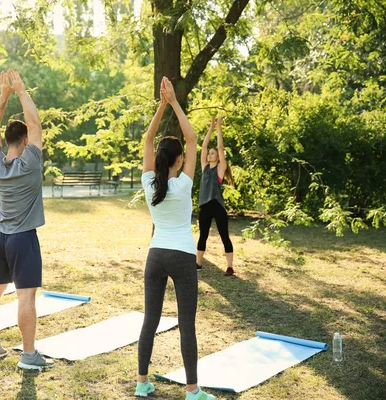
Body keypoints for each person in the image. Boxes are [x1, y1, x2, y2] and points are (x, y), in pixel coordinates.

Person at [136, 77, 215, 400]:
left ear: (159, 159)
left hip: (155, 256)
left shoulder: (148, 182)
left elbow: (147, 138)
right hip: (182, 256)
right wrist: (174, 103)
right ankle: (192, 390)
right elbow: (194, 137)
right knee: (187, 324)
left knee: (150, 320)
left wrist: (161, 106)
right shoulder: (183, 184)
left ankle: (142, 383)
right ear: (180, 159)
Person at [0, 70, 53, 370]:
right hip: (23, 239)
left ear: (5, 141)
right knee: (26, 296)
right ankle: (28, 355)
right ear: (24, 141)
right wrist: (21, 91)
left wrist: (3, 96)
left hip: (0, 237)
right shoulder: (30, 162)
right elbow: (35, 123)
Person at [196, 116, 235, 276]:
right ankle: (198, 263)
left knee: (224, 236)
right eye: (209, 154)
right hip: (205, 206)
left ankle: (230, 266)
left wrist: (219, 127)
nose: (210, 154)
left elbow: (220, 147)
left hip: (217, 206)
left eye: (213, 154)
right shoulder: (205, 167)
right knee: (203, 235)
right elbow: (204, 146)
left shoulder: (220, 169)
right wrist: (210, 127)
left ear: (218, 157)